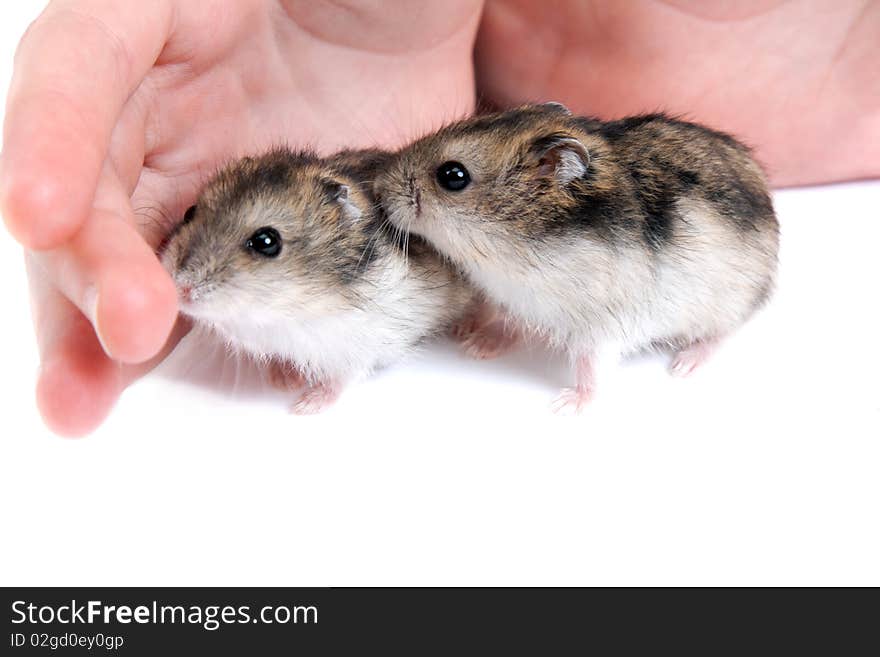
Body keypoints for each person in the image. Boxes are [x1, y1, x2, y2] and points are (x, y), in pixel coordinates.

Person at [1, 0, 877, 435]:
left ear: (550, 183)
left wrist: (584, 373)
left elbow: (600, 305)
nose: (404, 187)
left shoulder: (593, 247)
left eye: (450, 178)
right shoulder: (496, 244)